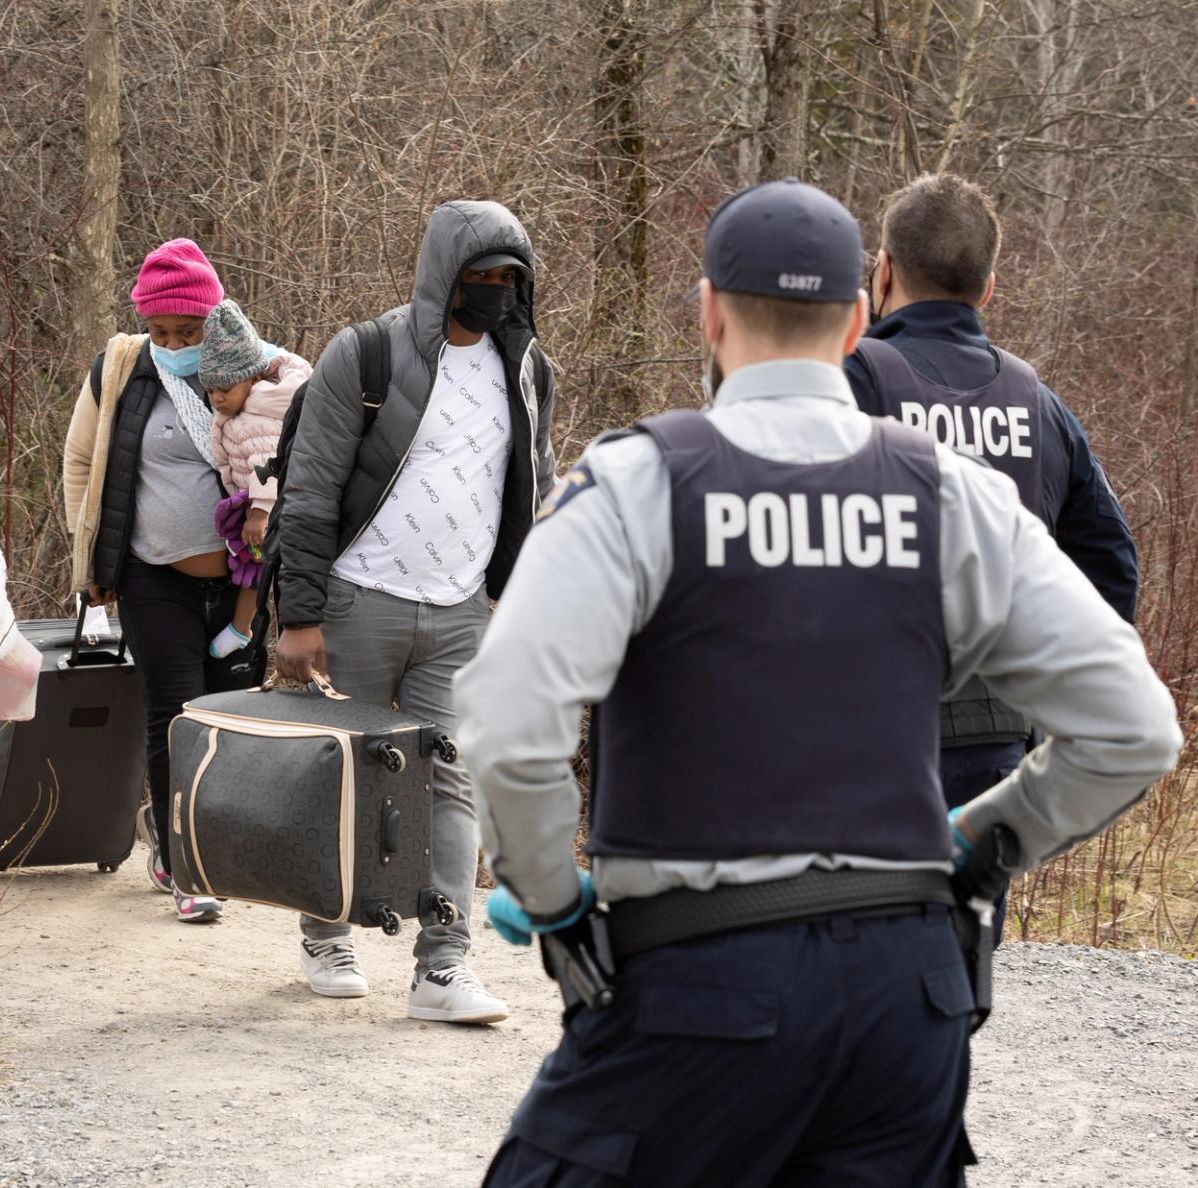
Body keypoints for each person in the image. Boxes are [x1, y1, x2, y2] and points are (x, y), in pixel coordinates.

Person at [457, 180, 1182, 1186]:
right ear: (854, 319)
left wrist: (551, 903)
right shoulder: (949, 495)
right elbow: (1135, 728)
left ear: (708, 310)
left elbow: (506, 718)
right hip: (908, 1004)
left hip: (697, 990)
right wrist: (977, 844)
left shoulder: (639, 482)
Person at [270, 199, 557, 1024]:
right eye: (481, 278)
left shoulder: (528, 370)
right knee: (341, 778)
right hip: (359, 602)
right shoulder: (365, 355)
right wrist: (301, 614)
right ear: (445, 278)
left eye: (512, 279)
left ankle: (443, 967)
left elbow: (527, 486)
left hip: (461, 613)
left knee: (452, 785)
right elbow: (312, 487)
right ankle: (326, 932)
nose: (498, 292)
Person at [849, 172, 1140, 818]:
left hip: (866, 731)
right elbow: (1112, 567)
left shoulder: (849, 385)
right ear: (987, 288)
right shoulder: (1040, 407)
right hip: (995, 742)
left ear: (884, 271)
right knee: (971, 920)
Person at [61, 239, 257, 923]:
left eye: (188, 331)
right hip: (154, 576)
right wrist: (92, 567)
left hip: (239, 587)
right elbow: (83, 462)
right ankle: (185, 863)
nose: (173, 343)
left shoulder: (247, 370)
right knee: (176, 716)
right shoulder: (119, 371)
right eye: (161, 331)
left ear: (215, 318)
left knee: (229, 720)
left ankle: (197, 832)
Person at [199, 298, 312, 657]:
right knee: (251, 565)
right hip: (254, 506)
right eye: (211, 389)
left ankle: (244, 629)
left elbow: (269, 463)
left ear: (251, 378)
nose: (216, 397)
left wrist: (260, 512)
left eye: (225, 389)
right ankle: (246, 627)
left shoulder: (258, 413)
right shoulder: (239, 410)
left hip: (272, 511)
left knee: (257, 565)